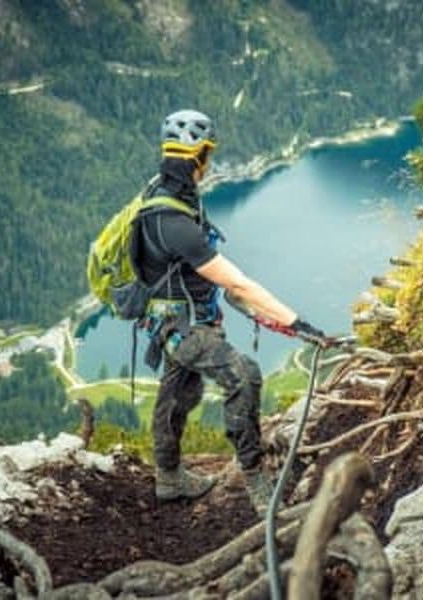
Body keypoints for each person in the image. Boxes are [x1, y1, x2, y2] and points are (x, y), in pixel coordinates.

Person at [132, 109, 327, 514]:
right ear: (199, 156)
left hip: (168, 324)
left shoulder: (161, 197)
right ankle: (257, 481)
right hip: (187, 328)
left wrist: (264, 316)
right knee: (243, 375)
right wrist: (296, 322)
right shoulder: (176, 220)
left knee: (179, 395)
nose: (210, 163)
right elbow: (236, 284)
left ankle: (168, 478)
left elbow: (214, 285)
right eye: (208, 154)